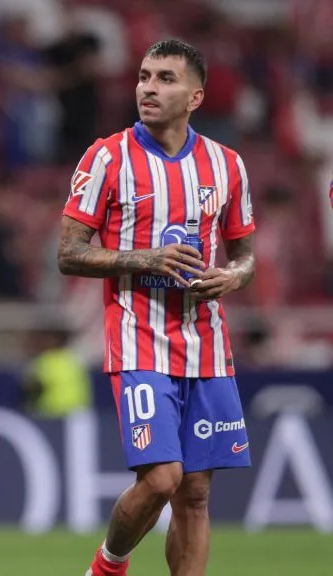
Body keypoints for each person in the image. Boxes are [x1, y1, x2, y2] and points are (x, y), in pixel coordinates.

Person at [56, 39, 256, 576]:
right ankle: (107, 566)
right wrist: (145, 257)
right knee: (163, 478)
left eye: (166, 78)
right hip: (139, 340)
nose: (148, 87)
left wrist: (231, 277)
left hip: (208, 349)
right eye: (145, 76)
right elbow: (68, 254)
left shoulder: (227, 165)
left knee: (194, 493)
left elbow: (245, 254)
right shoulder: (108, 156)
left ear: (195, 96)